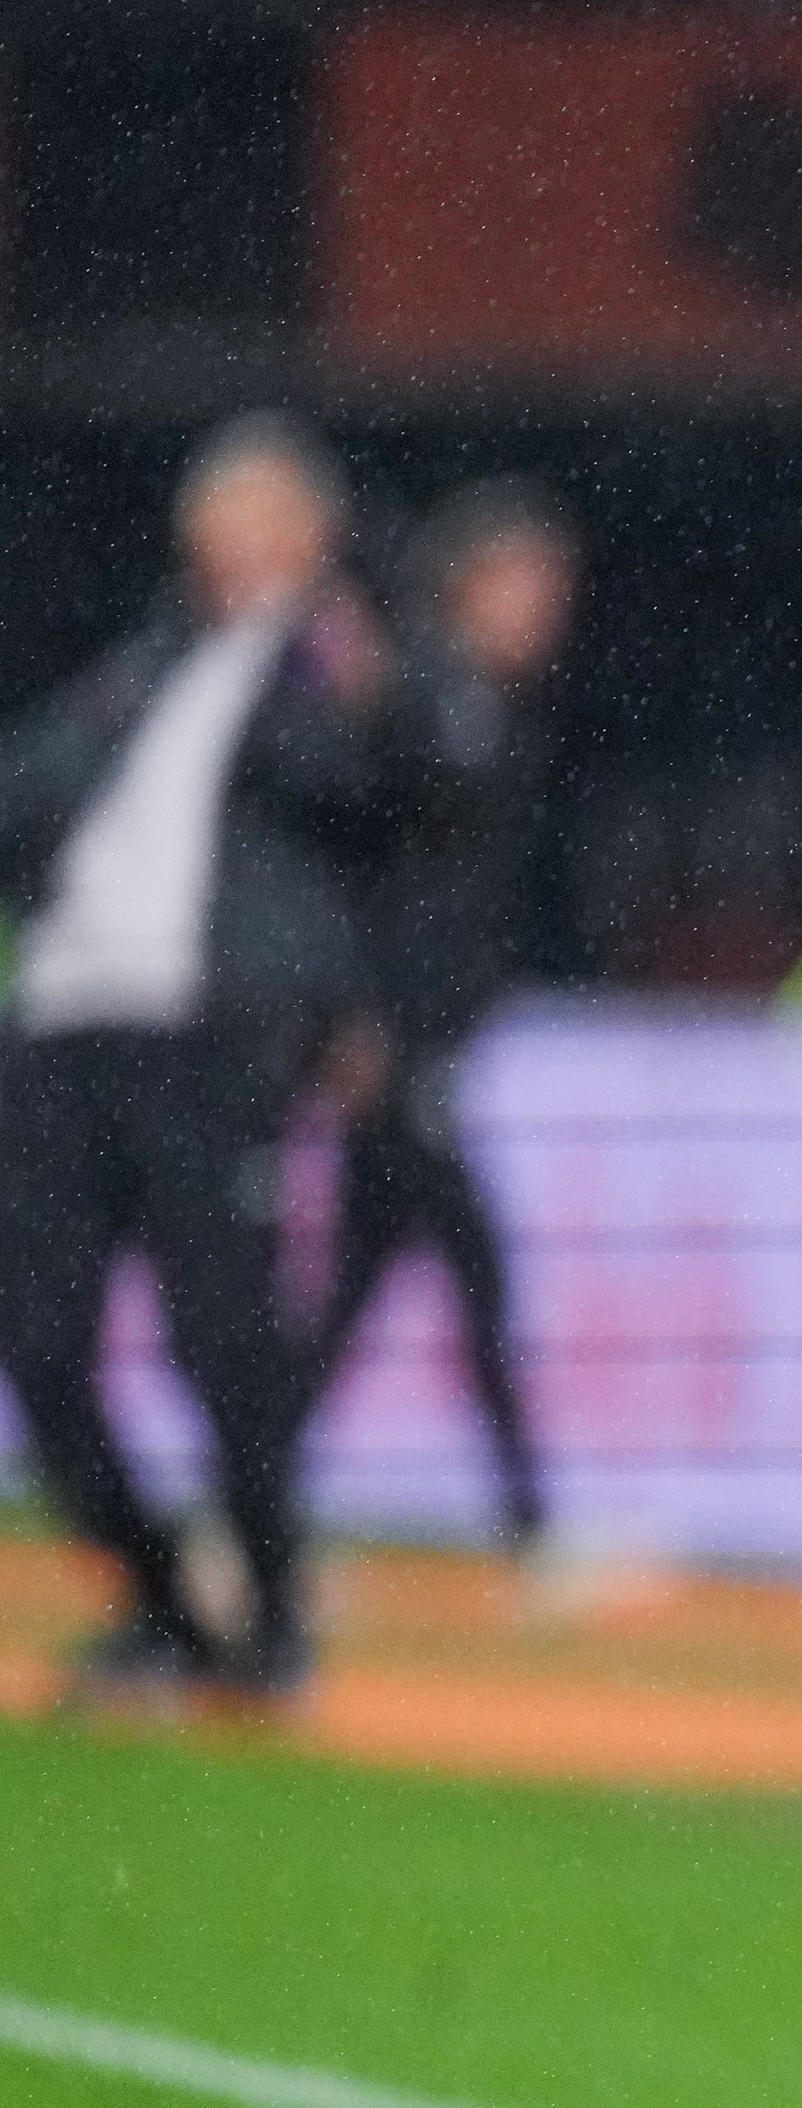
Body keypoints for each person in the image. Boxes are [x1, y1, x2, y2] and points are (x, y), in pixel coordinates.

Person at [0, 417, 400, 1705]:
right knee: (38, 1334)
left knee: (224, 1337)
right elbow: (30, 792)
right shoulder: (147, 662)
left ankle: (275, 1612)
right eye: (212, 513)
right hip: (67, 1018)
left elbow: (388, 796)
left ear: (306, 530)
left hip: (211, 1034)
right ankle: (163, 1600)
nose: (221, 537)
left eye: (253, 513)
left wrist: (325, 638)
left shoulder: (333, 660)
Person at [304, 479, 575, 1550]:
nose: (546, 608)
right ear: (472, 580)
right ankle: (530, 1527)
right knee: (471, 1266)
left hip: (431, 1036)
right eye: (528, 583)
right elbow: (365, 864)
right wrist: (355, 1017)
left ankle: (251, 1495)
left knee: (356, 1292)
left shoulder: (484, 703)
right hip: (396, 1040)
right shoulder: (421, 688)